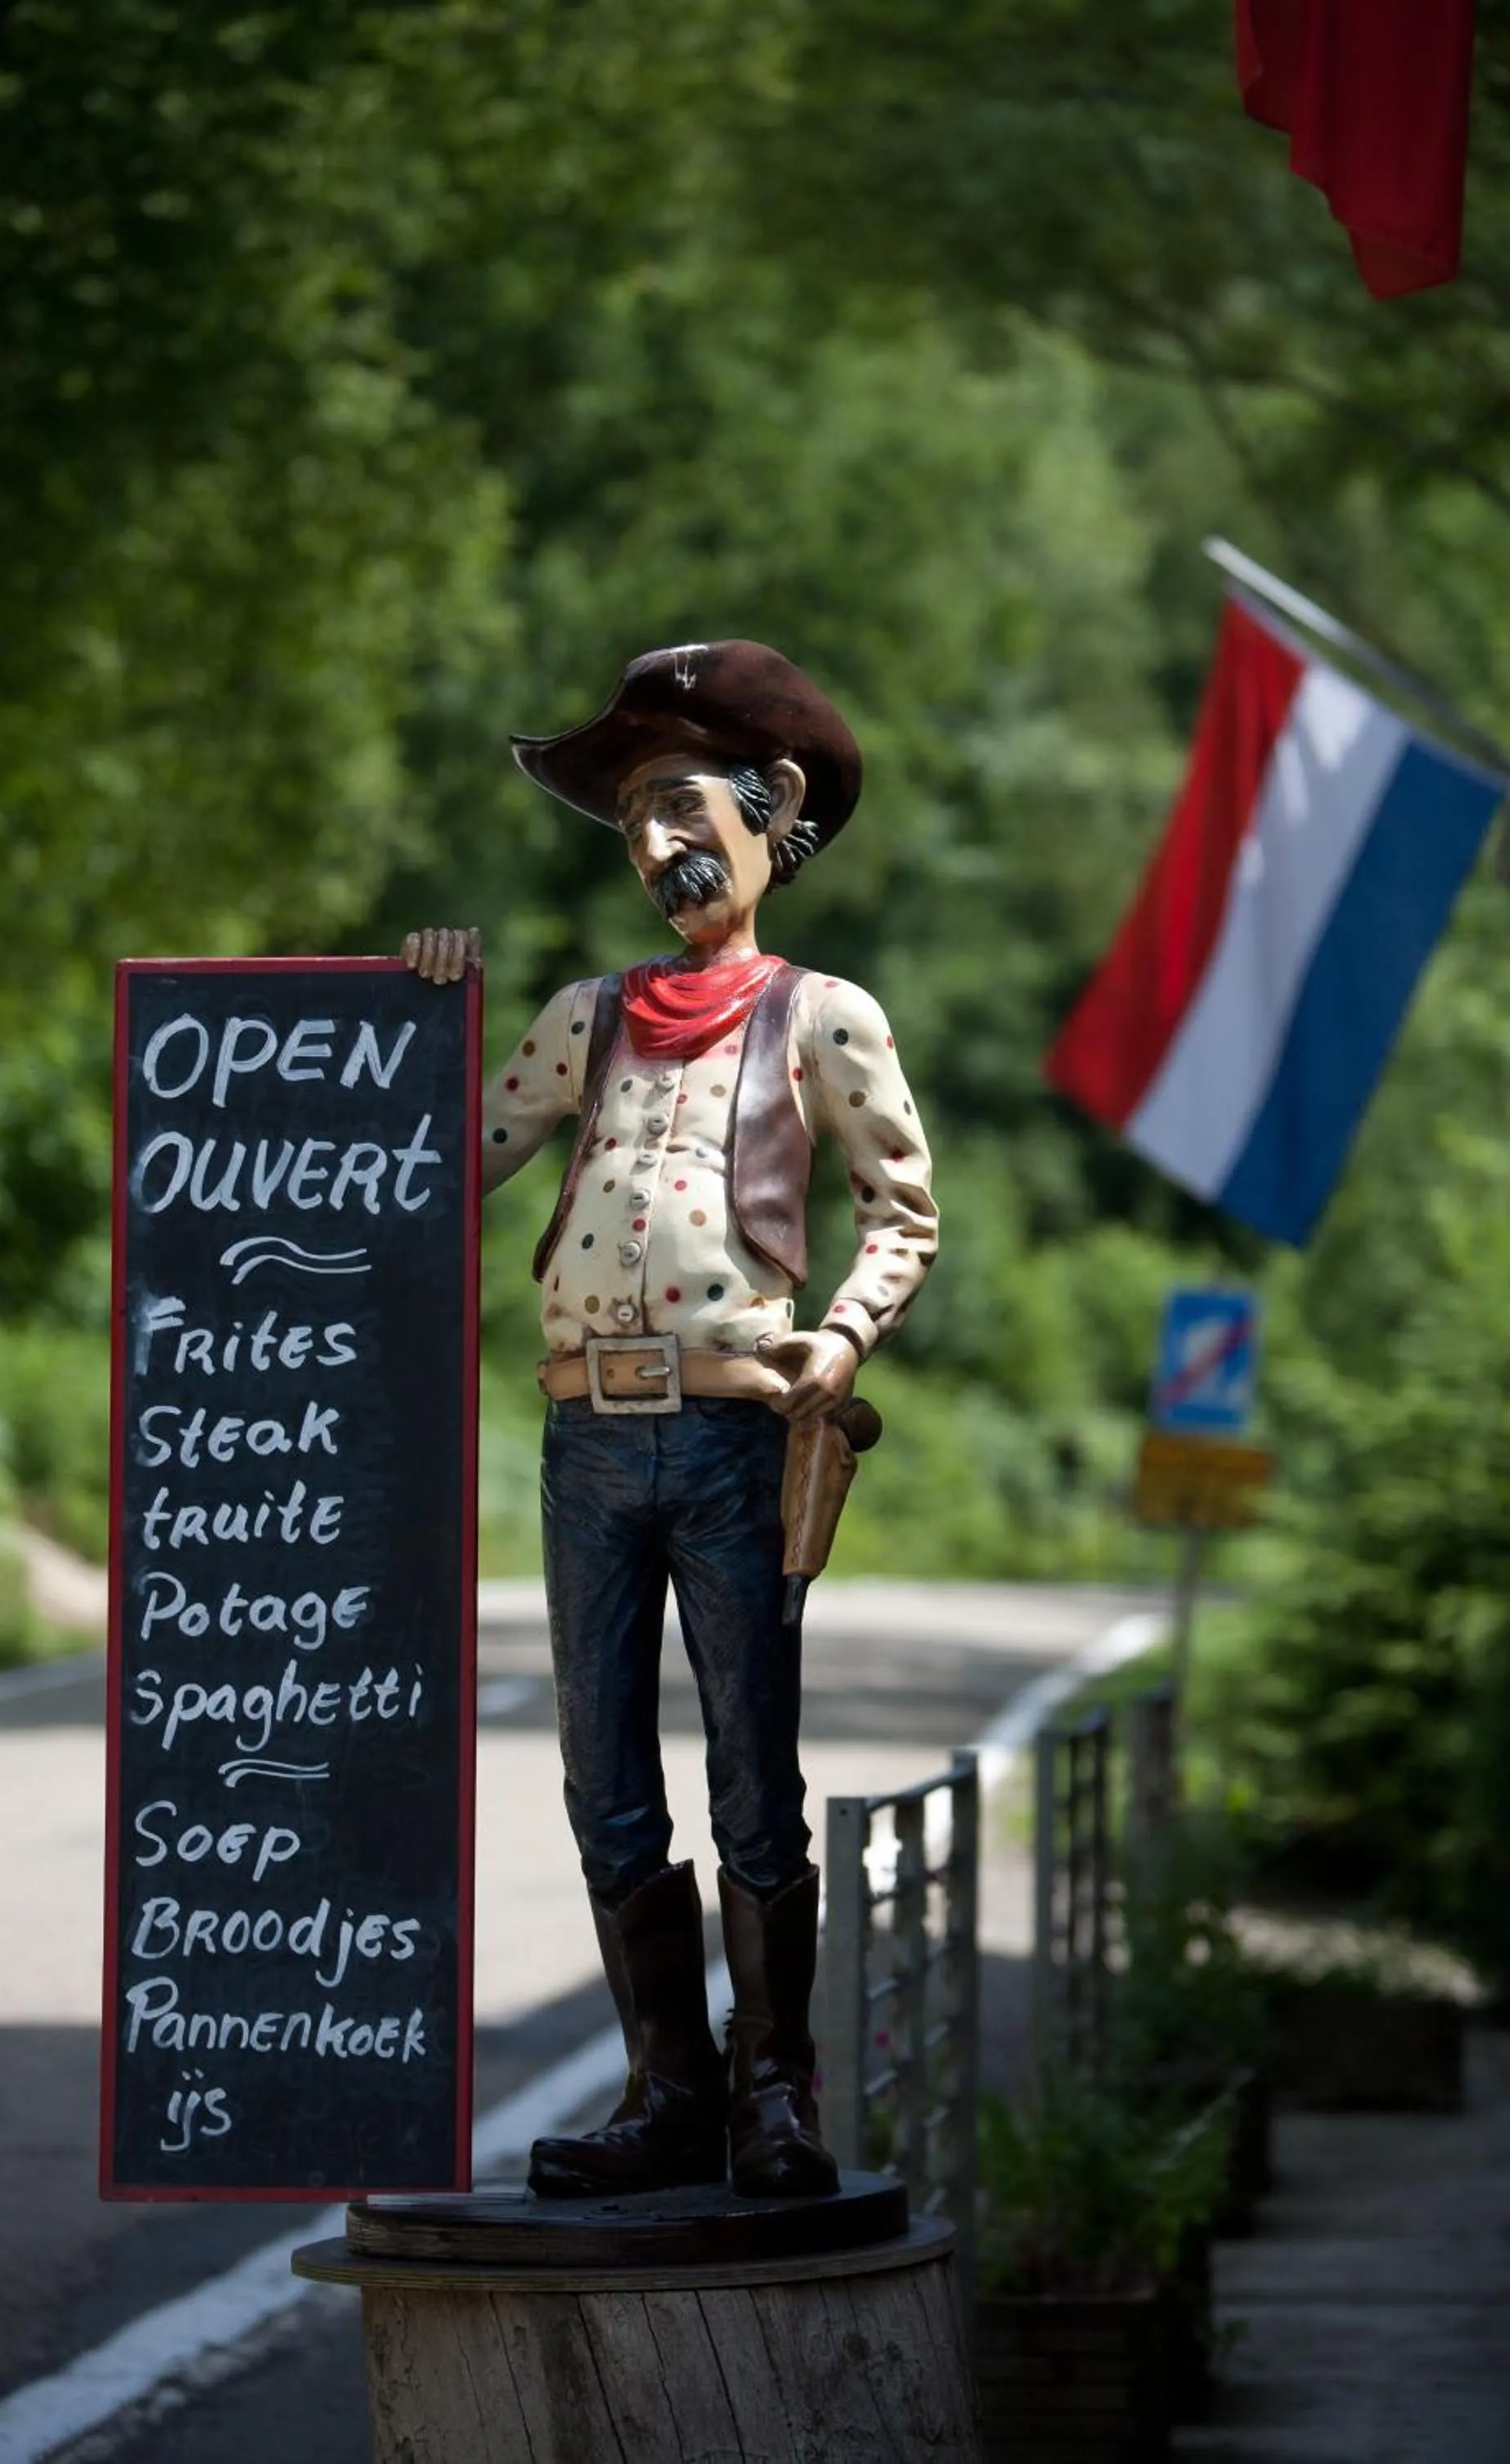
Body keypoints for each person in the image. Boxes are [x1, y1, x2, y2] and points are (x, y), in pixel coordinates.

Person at [407, 638, 937, 2200]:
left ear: (773, 819)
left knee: (751, 1765)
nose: (657, 849)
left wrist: (842, 1337)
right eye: (634, 818)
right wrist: (424, 1009)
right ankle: (670, 2088)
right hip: (587, 1440)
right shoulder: (588, 1017)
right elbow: (440, 1161)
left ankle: (777, 2090)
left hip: (728, 1435)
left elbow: (901, 1210)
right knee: (600, 1766)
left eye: (683, 806)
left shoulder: (823, 1016)